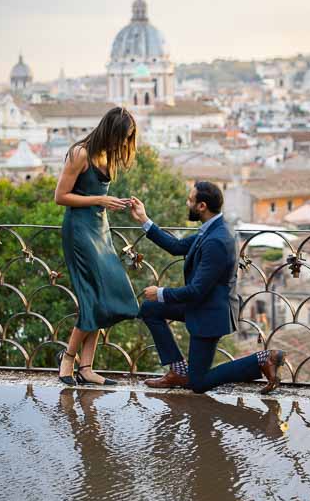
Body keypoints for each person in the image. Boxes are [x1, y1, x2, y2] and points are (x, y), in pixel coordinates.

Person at [129, 181, 287, 394]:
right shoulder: (213, 228)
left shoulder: (216, 241)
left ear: (202, 206)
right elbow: (177, 247)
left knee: (199, 383)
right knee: (150, 309)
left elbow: (196, 291)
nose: (188, 203)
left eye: (190, 200)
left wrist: (160, 293)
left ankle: (263, 359)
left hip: (210, 313)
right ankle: (178, 371)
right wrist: (144, 220)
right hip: (202, 305)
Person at [55, 106, 139, 386]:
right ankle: (69, 360)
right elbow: (61, 196)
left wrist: (114, 203)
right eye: (121, 137)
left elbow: (98, 194)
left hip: (100, 230)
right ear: (109, 131)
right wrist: (99, 200)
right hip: (79, 232)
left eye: (127, 138)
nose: (123, 143)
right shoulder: (81, 153)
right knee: (91, 299)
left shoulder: (109, 154)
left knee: (107, 296)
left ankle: (87, 368)